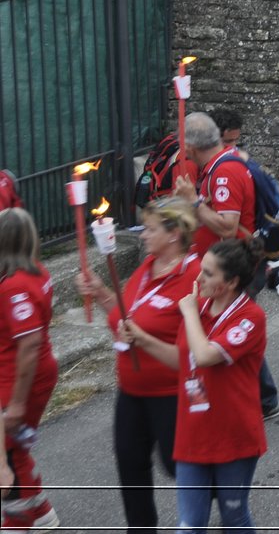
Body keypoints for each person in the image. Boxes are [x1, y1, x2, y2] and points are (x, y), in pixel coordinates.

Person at [77, 197, 202, 534]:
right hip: (131, 390)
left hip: (172, 393)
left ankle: (220, 495)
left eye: (149, 229)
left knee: (178, 467)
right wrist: (103, 294)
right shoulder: (146, 269)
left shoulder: (193, 277)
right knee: (130, 461)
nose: (142, 235)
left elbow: (191, 353)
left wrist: (143, 339)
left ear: (174, 233)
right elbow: (125, 319)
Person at [173, 236, 269, 533]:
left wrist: (188, 313)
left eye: (208, 273)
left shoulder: (250, 317)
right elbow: (180, 358)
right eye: (201, 269)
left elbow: (203, 355)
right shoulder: (199, 309)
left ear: (230, 282)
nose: (198, 278)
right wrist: (139, 340)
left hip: (234, 437)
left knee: (234, 518)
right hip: (193, 434)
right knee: (190, 525)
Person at [204, 108, 279, 421]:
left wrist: (196, 206)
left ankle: (263, 399)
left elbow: (227, 224)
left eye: (235, 142)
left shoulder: (229, 168)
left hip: (241, 261)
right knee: (229, 327)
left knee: (233, 329)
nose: (231, 148)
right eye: (227, 141)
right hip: (238, 258)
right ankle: (257, 398)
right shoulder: (233, 163)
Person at [0, 210, 58, 530]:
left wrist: (18, 403)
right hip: (32, 373)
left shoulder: (14, 285)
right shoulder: (36, 271)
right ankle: (42, 512)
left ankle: (16, 521)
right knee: (17, 448)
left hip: (18, 379)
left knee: (7, 453)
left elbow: (29, 342)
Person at [174, 113, 254, 261]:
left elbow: (228, 229)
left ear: (190, 148)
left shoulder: (225, 172)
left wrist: (193, 200)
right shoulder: (218, 166)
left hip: (230, 268)